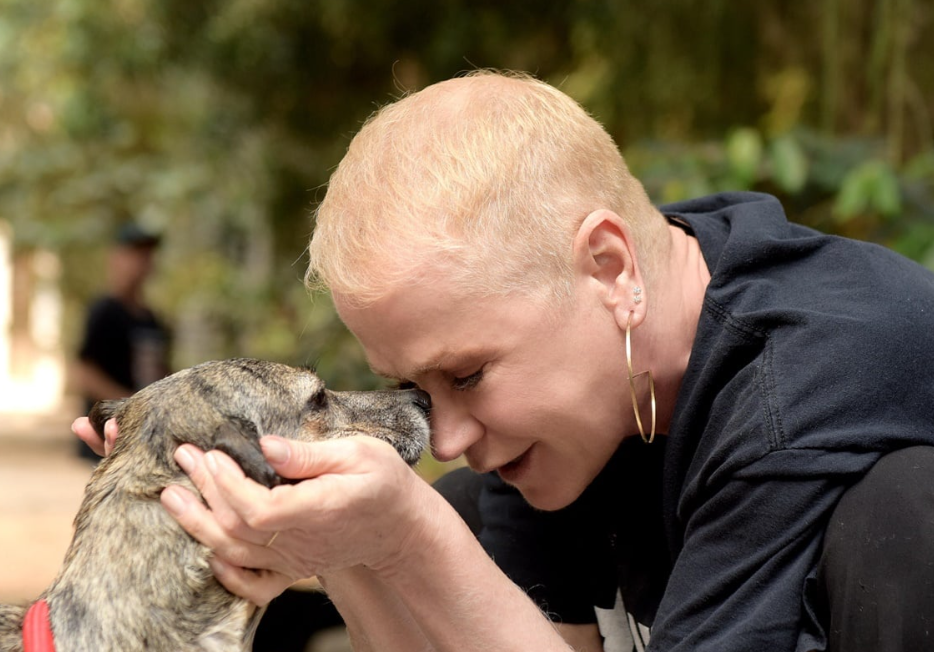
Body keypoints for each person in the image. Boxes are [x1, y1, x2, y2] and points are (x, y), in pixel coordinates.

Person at [75, 71, 934, 651]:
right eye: (416, 387)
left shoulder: (798, 385)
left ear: (610, 267)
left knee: (902, 519)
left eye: (469, 374)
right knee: (464, 510)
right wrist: (327, 535)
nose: (444, 433)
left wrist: (406, 539)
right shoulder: (599, 370)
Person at [74, 222, 171, 460]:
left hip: (145, 431)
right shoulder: (104, 312)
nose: (142, 262)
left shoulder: (153, 319)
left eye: (147, 255)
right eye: (135, 254)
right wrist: (127, 402)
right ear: (116, 257)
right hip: (108, 429)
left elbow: (161, 370)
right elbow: (84, 372)